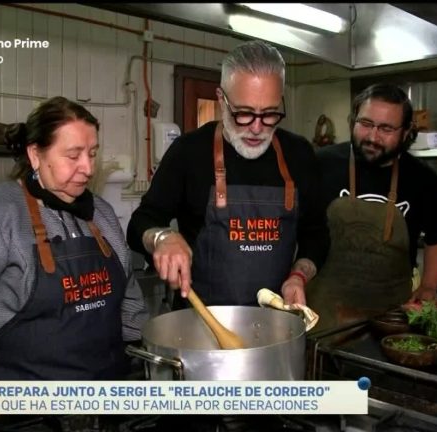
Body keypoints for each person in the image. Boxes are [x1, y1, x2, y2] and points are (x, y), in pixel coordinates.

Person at [0, 96, 148, 381]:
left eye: (92, 153)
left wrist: (139, 362)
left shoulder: (101, 213)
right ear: (35, 155)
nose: (88, 168)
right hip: (23, 409)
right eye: (73, 155)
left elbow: (129, 296)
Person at [127, 40, 328, 309]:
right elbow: (141, 222)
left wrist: (298, 276)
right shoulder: (188, 152)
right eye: (244, 114)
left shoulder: (299, 154)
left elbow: (316, 234)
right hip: (201, 326)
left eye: (269, 114)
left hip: (276, 326)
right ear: (221, 99)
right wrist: (162, 238)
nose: (257, 128)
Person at [308, 83, 437, 330]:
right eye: (365, 124)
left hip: (391, 320)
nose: (373, 137)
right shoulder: (319, 165)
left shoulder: (424, 181)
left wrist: (429, 285)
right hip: (322, 316)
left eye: (386, 128)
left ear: (407, 131)